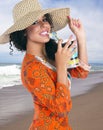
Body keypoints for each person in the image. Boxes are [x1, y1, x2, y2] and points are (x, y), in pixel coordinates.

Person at [0, 0, 91, 129]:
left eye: (44, 19)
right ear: (24, 31)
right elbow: (61, 109)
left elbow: (81, 72)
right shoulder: (32, 68)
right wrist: (61, 66)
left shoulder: (51, 54)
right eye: (35, 22)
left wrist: (81, 37)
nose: (44, 25)